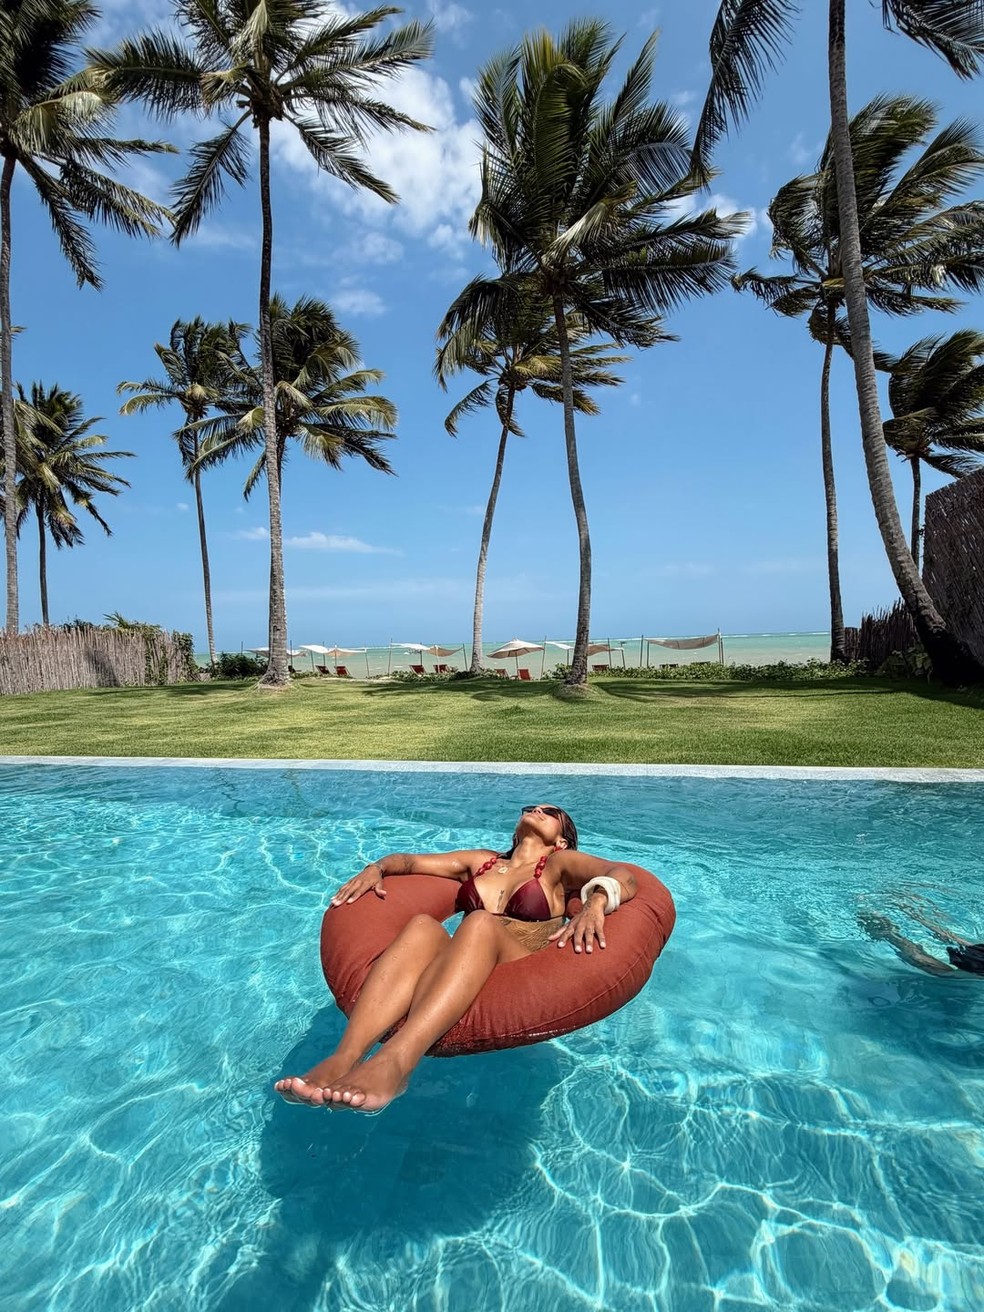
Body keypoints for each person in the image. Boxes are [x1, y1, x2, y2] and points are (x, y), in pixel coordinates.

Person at [275, 803, 639, 1113]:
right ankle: (345, 1057)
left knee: (480, 922)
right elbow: (410, 861)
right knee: (421, 926)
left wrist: (594, 903)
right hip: (466, 963)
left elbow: (623, 876)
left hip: (517, 964)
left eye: (549, 812)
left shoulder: (560, 864)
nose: (536, 810)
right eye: (531, 807)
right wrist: (377, 868)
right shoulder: (482, 861)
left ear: (561, 839)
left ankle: (397, 1063)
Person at [859, 897, 984, 977]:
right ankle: (888, 931)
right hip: (977, 969)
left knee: (951, 939)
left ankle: (910, 911)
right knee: (932, 965)